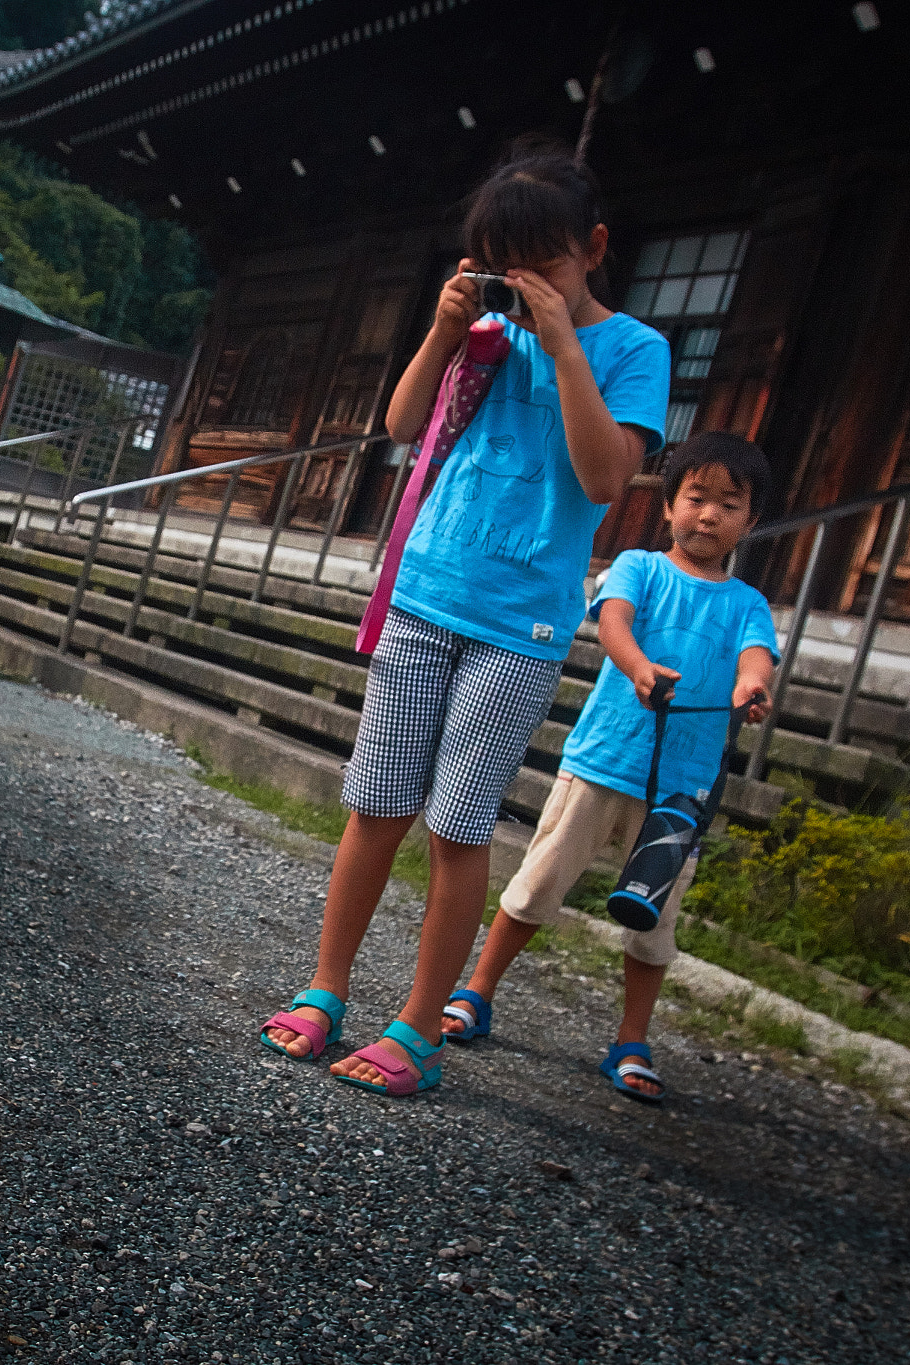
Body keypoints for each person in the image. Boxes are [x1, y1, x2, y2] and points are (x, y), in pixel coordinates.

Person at [258, 146, 672, 1096]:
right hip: (426, 592)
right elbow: (403, 427)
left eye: (547, 265)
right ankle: (326, 989)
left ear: (595, 250)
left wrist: (566, 342)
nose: (523, 286)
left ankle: (418, 1027)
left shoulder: (632, 351)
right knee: (376, 806)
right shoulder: (480, 333)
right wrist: (444, 333)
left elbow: (608, 477)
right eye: (501, 266)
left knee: (456, 823)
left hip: (518, 625)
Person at [438, 432, 781, 1104]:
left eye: (728, 504)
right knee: (536, 886)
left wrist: (752, 687)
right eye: (697, 498)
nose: (709, 515)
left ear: (752, 521)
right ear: (669, 506)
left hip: (681, 791)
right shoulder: (638, 568)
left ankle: (631, 1037)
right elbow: (614, 623)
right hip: (601, 762)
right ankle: (476, 990)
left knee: (654, 925)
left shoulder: (749, 604)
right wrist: (639, 668)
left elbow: (756, 657)